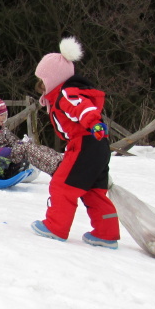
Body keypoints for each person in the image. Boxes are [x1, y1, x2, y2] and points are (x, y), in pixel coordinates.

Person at [30, 37, 120, 249]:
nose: (40, 86)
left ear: (53, 79)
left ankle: (55, 227)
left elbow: (83, 109)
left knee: (62, 185)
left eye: (42, 81)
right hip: (98, 145)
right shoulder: (64, 94)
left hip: (85, 144)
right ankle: (106, 234)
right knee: (93, 191)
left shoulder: (67, 94)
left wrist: (94, 123)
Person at [0, 94, 63, 177]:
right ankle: (56, 168)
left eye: (5, 114)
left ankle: (63, 162)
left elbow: (12, 141)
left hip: (9, 155)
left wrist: (19, 143)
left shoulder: (0, 128)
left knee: (32, 146)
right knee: (26, 149)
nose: (4, 118)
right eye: (1, 115)